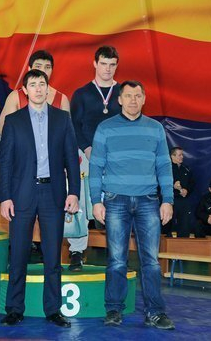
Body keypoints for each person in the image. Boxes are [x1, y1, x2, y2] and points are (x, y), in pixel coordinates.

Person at [90, 80, 175, 330]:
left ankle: (155, 312)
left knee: (151, 261)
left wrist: (168, 200)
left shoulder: (156, 129)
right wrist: (96, 201)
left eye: (138, 96)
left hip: (149, 201)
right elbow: (95, 166)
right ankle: (114, 309)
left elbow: (164, 166)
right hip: (115, 201)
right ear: (119, 100)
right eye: (128, 96)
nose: (133, 100)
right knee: (117, 259)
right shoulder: (105, 128)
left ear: (144, 99)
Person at [0, 69, 80, 328]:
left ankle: (53, 309)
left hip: (52, 194)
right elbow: (5, 163)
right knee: (18, 253)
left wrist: (74, 192)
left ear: (47, 88)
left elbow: (71, 159)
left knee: (53, 256)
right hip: (22, 194)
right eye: (32, 84)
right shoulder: (14, 120)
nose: (38, 89)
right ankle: (14, 309)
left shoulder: (62, 119)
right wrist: (5, 197)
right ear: (25, 90)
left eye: (42, 84)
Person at [68, 45, 121, 270]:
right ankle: (76, 251)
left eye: (112, 65)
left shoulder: (123, 92)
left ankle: (117, 253)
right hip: (87, 155)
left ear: (117, 66)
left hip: (115, 158)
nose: (107, 69)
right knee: (80, 201)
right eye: (103, 64)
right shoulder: (82, 94)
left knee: (116, 204)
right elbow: (74, 126)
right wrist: (88, 148)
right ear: (95, 64)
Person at [0, 50, 70, 134]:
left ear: (52, 70)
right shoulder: (15, 97)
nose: (43, 70)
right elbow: (2, 129)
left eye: (47, 67)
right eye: (38, 66)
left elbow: (67, 132)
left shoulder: (62, 99)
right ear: (29, 69)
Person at [164, 147, 196, 237]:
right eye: (179, 155)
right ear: (172, 156)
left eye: (182, 155)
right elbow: (159, 184)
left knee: (184, 225)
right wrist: (172, 186)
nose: (182, 157)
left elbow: (192, 183)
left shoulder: (186, 169)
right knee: (167, 225)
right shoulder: (166, 169)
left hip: (183, 201)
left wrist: (187, 190)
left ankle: (183, 244)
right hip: (170, 200)